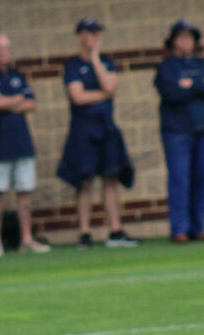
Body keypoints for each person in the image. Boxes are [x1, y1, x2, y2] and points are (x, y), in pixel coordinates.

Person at [56, 17, 140, 249]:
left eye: (97, 33)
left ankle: (115, 230)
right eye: (90, 33)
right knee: (84, 181)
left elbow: (111, 86)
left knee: (111, 178)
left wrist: (95, 59)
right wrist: (103, 94)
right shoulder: (72, 65)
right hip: (83, 129)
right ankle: (84, 232)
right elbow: (78, 97)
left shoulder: (106, 62)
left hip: (106, 128)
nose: (94, 37)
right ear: (80, 36)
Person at [0, 34, 51, 257]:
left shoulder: (17, 74)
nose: (4, 52)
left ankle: (26, 238)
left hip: (22, 143)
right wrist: (15, 100)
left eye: (7, 48)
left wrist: (8, 99)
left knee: (25, 191)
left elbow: (31, 103)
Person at [154, 20, 204, 244]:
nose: (186, 41)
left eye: (190, 37)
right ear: (173, 41)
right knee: (180, 179)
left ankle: (198, 226)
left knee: (201, 176)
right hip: (176, 131)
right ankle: (179, 229)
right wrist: (199, 84)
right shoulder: (167, 67)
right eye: (181, 37)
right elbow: (171, 91)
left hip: (203, 127)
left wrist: (190, 84)